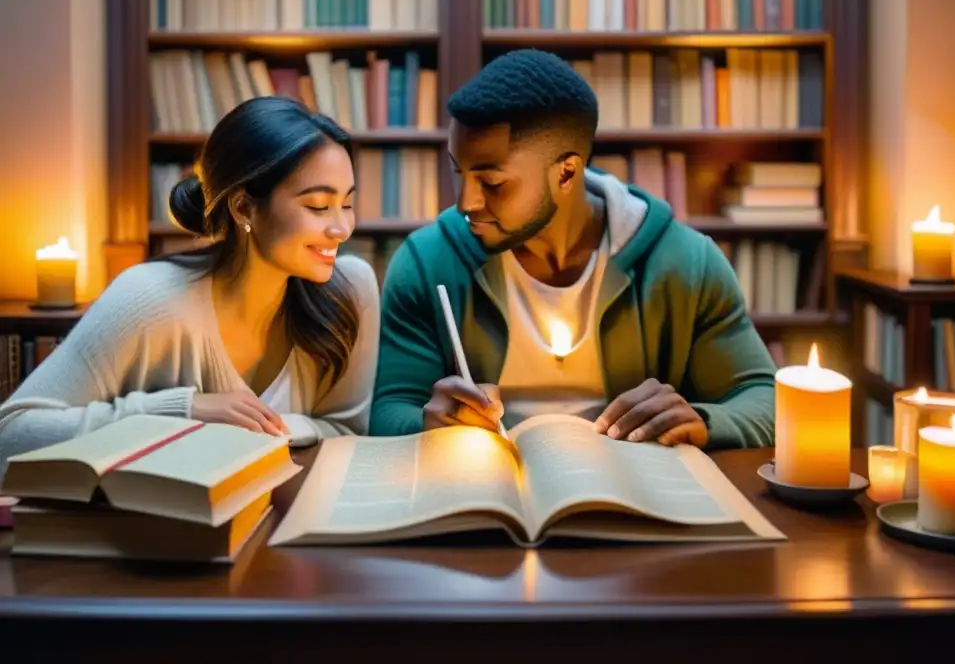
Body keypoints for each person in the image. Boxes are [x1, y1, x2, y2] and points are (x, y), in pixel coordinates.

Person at [370, 49, 775, 450]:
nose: (466, 203)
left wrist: (703, 420)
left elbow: (767, 401)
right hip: (481, 491)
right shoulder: (427, 262)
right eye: (459, 171)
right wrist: (426, 422)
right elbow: (388, 410)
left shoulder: (687, 264)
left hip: (632, 500)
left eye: (492, 183)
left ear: (566, 173)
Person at [0, 96, 379, 472]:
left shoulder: (349, 290)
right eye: (317, 206)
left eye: (346, 204)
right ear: (244, 208)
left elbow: (347, 431)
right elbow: (10, 437)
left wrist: (269, 432)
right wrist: (181, 412)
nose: (342, 228)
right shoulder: (149, 299)